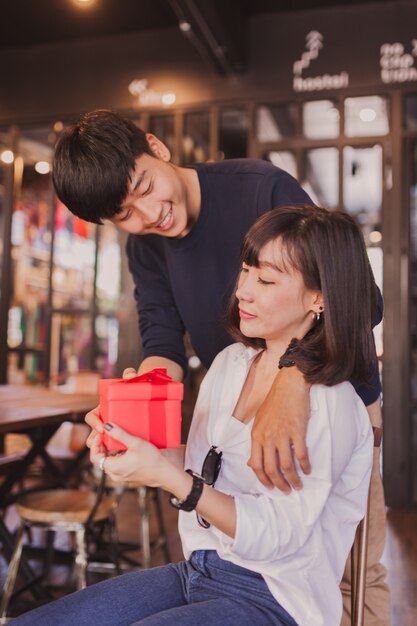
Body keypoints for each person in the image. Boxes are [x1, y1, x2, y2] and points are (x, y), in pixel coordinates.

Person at [52, 110, 389, 624]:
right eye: (124, 215)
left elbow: (352, 295)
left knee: (347, 573)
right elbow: (161, 338)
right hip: (238, 399)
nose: (148, 216)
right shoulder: (147, 249)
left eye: (144, 187)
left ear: (156, 146)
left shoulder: (258, 189)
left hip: (331, 385)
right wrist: (137, 410)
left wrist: (292, 376)